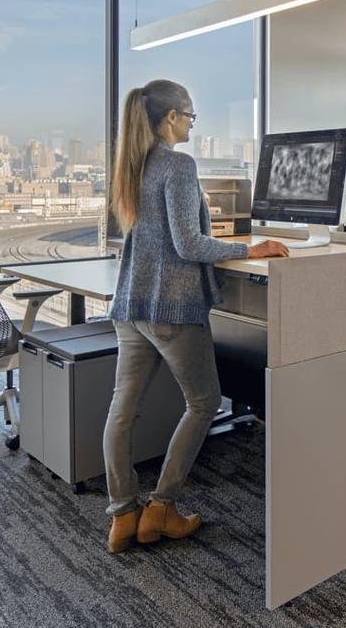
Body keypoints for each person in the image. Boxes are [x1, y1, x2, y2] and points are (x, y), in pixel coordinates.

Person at [103, 80, 289, 553]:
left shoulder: (133, 165)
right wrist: (251, 248)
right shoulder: (178, 165)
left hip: (131, 307)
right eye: (189, 117)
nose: (190, 124)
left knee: (122, 410)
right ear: (171, 118)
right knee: (205, 403)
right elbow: (189, 245)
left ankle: (124, 516)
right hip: (171, 308)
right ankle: (162, 509)